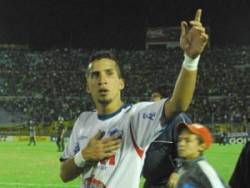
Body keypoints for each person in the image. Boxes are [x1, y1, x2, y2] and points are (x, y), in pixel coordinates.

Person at [59, 9, 208, 188]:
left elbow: (178, 103)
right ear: (87, 86)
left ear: (121, 83)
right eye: (95, 75)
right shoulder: (82, 122)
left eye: (109, 73)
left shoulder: (136, 117)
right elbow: (64, 174)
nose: (102, 80)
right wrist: (84, 156)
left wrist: (191, 60)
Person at [142, 91, 192, 188]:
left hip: (170, 182)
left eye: (155, 98)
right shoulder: (149, 121)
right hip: (150, 183)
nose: (152, 103)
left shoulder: (179, 119)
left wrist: (178, 172)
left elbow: (189, 150)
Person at [167, 123, 229, 188]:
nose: (181, 144)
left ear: (202, 146)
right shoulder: (181, 166)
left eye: (187, 140)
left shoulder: (205, 171)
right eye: (180, 140)